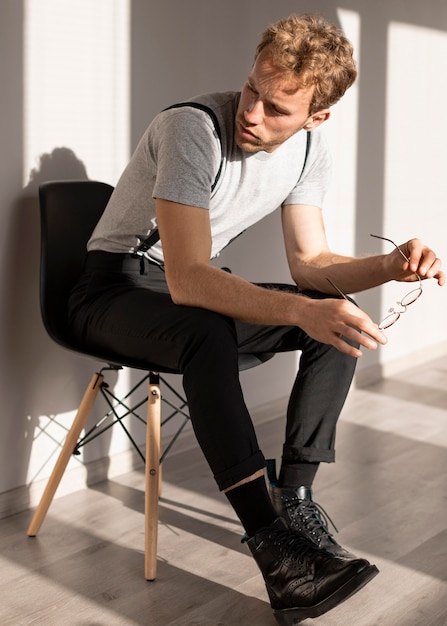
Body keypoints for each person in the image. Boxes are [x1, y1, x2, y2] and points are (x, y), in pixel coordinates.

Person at [68, 13, 444, 624]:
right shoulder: (193, 128)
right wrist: (303, 309)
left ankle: (295, 497)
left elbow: (311, 264)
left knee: (338, 318)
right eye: (251, 91)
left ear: (315, 117)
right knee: (211, 324)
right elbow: (190, 280)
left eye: (276, 108)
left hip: (180, 293)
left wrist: (387, 266)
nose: (252, 113)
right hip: (112, 290)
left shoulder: (309, 151)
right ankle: (277, 552)